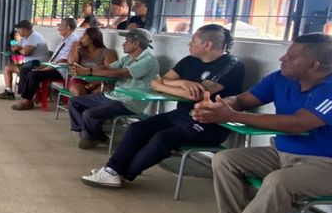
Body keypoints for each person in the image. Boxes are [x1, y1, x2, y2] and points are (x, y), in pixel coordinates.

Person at [192, 33, 332, 213]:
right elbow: (242, 100)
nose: (282, 58)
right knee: (225, 160)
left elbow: (299, 123)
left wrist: (232, 116)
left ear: (314, 65)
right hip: (283, 153)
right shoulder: (282, 78)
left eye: (291, 57)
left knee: (278, 182)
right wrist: (218, 106)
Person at [82, 24, 245, 188]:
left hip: (209, 124)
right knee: (137, 128)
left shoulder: (231, 64)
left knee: (163, 138)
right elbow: (156, 82)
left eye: (194, 40)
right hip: (180, 115)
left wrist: (164, 85)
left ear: (207, 45)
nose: (189, 43)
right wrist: (182, 82)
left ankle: (120, 173)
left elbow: (196, 94)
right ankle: (112, 171)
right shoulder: (189, 61)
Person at [68, 28, 160, 149]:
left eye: (126, 41)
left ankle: (92, 136)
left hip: (129, 101)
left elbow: (119, 73)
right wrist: (84, 70)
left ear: (136, 43)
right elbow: (108, 68)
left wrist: (88, 71)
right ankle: (86, 133)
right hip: (114, 96)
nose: (123, 44)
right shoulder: (128, 58)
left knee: (90, 114)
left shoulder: (147, 61)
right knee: (74, 102)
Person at [11, 17, 82, 111]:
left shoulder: (73, 40)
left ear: (68, 28)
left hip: (62, 70)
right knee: (25, 70)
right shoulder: (66, 39)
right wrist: (45, 66)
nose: (58, 28)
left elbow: (63, 61)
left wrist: (46, 68)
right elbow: (56, 59)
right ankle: (24, 98)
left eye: (60, 26)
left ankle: (26, 102)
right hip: (53, 66)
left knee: (33, 74)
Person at [0, 20, 48, 99]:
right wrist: (18, 48)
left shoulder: (34, 37)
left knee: (18, 67)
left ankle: (24, 97)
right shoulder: (24, 38)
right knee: (8, 68)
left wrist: (18, 49)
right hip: (27, 63)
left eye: (18, 29)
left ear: (25, 30)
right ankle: (8, 92)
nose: (17, 31)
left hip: (37, 65)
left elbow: (25, 52)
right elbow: (13, 47)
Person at [66, 27, 116, 97]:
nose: (81, 38)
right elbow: (71, 62)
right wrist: (75, 44)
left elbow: (110, 72)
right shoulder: (80, 51)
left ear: (91, 39)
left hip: (101, 81)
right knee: (79, 92)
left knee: (96, 95)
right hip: (80, 79)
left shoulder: (107, 52)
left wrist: (96, 83)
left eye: (84, 35)